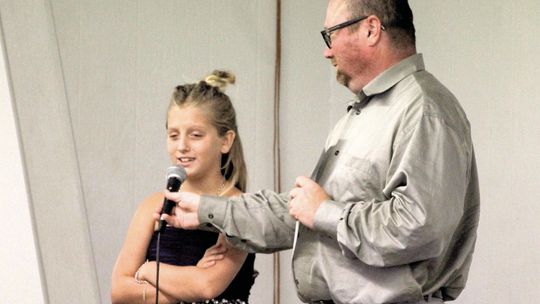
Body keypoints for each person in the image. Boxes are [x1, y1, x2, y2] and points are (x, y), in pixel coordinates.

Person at [160, 1, 480, 303]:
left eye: (331, 34)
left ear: (370, 29)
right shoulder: (358, 118)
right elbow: (302, 215)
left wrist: (325, 212)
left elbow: (419, 228)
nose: (326, 52)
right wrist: (206, 210)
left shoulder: (424, 110)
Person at [111, 70, 256, 304]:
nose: (182, 146)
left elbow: (207, 286)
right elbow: (119, 291)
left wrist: (149, 271)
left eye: (196, 135)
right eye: (173, 135)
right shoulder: (154, 205)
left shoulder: (239, 209)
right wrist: (186, 284)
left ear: (225, 141)